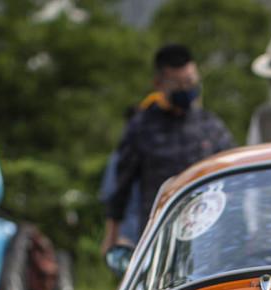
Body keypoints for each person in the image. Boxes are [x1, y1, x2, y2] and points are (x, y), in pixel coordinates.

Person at [100, 44, 237, 256]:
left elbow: (233, 172)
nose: (186, 89)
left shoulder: (209, 125)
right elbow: (122, 187)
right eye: (178, 84)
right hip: (159, 236)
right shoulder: (141, 128)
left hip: (208, 233)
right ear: (158, 84)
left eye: (190, 82)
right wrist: (111, 238)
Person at [98, 105, 143, 247]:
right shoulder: (119, 157)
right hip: (127, 234)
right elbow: (112, 197)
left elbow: (108, 194)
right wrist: (110, 237)